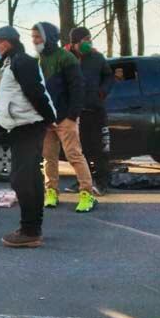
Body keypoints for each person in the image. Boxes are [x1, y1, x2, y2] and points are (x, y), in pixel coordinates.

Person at [0, 26, 57, 248]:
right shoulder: (10, 62)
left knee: (21, 179)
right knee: (31, 178)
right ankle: (32, 227)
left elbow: (35, 91)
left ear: (6, 42)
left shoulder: (21, 61)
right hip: (20, 127)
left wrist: (48, 118)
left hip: (28, 126)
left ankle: (30, 231)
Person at [31, 22, 96, 212]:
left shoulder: (66, 58)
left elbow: (77, 87)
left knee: (74, 155)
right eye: (33, 37)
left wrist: (72, 115)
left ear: (49, 37)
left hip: (65, 118)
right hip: (46, 119)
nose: (34, 41)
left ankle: (87, 194)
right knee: (48, 158)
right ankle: (51, 192)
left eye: (38, 36)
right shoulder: (37, 61)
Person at [66, 27, 115, 195]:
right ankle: (83, 181)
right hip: (77, 113)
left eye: (89, 39)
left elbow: (109, 76)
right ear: (75, 43)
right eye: (85, 40)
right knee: (80, 151)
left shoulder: (97, 57)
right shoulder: (66, 58)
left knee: (100, 150)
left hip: (96, 111)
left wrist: (102, 91)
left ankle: (102, 182)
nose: (89, 42)